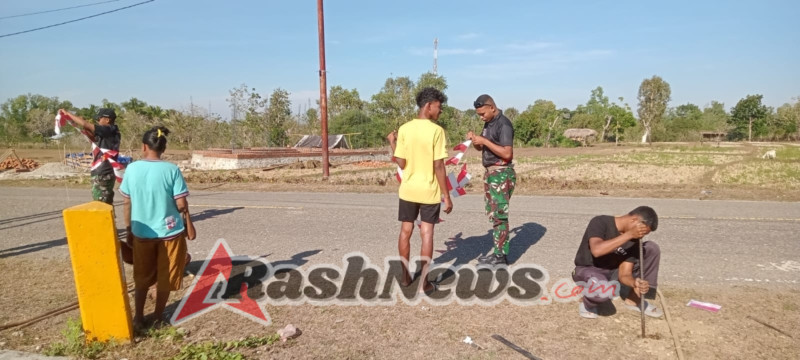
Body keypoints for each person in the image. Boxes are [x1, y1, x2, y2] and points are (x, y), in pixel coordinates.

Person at [120, 126, 193, 328]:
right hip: (170, 233)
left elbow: (127, 202)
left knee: (142, 276)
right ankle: (159, 316)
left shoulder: (132, 169)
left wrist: (128, 230)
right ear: (163, 148)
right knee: (165, 276)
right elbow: (181, 205)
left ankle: (138, 318)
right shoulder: (172, 170)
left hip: (141, 232)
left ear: (144, 146)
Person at [386, 87, 453, 294]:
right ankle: (424, 283)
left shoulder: (405, 129)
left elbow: (402, 163)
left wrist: (392, 143)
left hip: (408, 190)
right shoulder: (437, 131)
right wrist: (447, 196)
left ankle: (406, 278)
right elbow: (439, 166)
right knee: (427, 234)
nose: (440, 111)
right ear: (429, 105)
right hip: (428, 191)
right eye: (439, 107)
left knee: (405, 231)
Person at [572, 206, 663, 319]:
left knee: (651, 248)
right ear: (634, 220)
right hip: (589, 269)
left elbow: (624, 274)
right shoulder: (601, 222)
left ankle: (635, 299)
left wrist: (634, 283)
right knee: (601, 292)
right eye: (642, 231)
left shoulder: (634, 239)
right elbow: (597, 250)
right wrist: (628, 235)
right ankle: (587, 304)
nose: (641, 236)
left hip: (613, 274)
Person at [467, 95, 516, 266]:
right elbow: (481, 146)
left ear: (492, 108)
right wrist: (476, 140)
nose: (481, 117)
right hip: (492, 174)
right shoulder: (489, 123)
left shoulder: (504, 124)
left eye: (482, 114)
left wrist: (485, 141)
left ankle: (500, 257)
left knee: (499, 216)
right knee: (493, 214)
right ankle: (497, 252)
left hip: (502, 174)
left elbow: (507, 154)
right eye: (479, 115)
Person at [58, 108, 121, 204]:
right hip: (105, 171)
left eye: (99, 118)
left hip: (103, 172)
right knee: (105, 202)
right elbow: (92, 136)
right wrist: (83, 126)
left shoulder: (108, 129)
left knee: (101, 204)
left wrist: (68, 114)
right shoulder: (110, 132)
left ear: (107, 120)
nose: (98, 121)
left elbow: (86, 124)